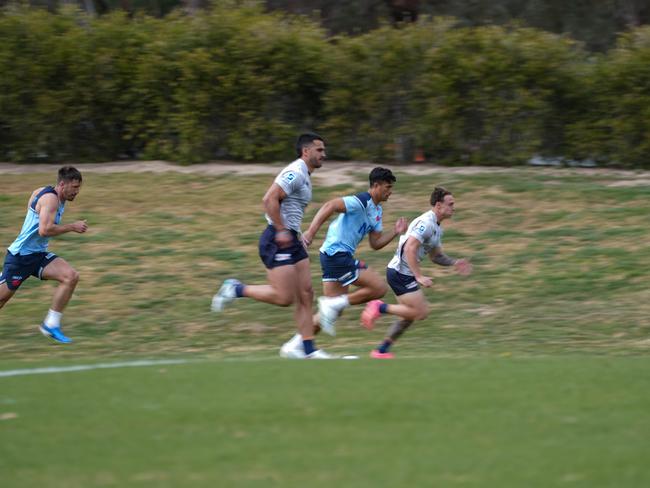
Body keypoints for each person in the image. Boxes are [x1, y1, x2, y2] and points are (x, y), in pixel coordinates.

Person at [211, 133, 332, 359]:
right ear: (306, 152)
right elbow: (269, 199)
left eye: (324, 150)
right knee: (284, 298)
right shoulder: (295, 172)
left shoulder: (305, 174)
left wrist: (294, 235)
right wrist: (281, 230)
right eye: (319, 150)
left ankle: (307, 350)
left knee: (306, 294)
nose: (324, 154)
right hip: (277, 239)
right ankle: (235, 289)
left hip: (292, 239)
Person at [279, 167, 407, 358]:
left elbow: (375, 244)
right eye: (388, 187)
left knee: (331, 311)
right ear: (376, 185)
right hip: (336, 254)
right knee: (379, 288)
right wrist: (310, 233)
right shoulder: (361, 201)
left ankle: (295, 345)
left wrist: (395, 232)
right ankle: (333, 306)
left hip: (334, 256)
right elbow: (330, 205)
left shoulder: (377, 211)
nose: (390, 191)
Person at [361, 186, 472, 358]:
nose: (453, 207)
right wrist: (419, 276)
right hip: (399, 273)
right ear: (438, 205)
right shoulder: (426, 223)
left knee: (408, 316)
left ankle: (381, 351)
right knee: (421, 313)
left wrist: (454, 262)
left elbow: (436, 257)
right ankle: (379, 307)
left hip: (402, 273)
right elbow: (410, 248)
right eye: (450, 204)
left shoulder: (437, 227)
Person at [0, 166, 88, 343]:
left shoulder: (46, 193)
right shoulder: (51, 199)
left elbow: (33, 207)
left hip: (38, 255)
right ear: (62, 184)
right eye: (74, 187)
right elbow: (44, 230)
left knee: (70, 276)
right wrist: (73, 226)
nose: (77, 192)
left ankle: (51, 324)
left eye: (78, 187)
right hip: (20, 257)